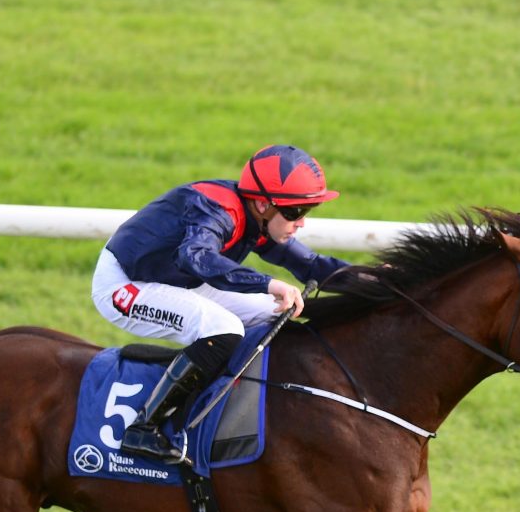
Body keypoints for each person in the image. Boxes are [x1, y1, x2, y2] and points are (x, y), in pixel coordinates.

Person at [92, 144, 352, 461]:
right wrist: (267, 282)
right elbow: (196, 257)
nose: (301, 223)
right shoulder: (217, 210)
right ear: (262, 203)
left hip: (180, 280)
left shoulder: (259, 219)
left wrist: (377, 279)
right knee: (223, 327)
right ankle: (143, 429)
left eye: (305, 212)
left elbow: (312, 265)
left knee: (277, 314)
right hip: (127, 284)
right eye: (294, 212)